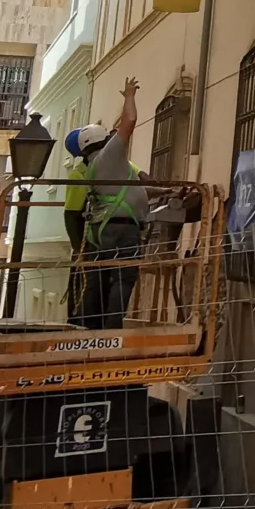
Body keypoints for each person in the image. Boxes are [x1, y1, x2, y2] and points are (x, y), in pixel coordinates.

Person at [65, 76, 142, 328]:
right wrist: (129, 96)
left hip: (101, 230)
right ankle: (111, 330)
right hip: (121, 228)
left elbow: (132, 188)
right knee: (122, 278)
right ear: (105, 140)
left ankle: (89, 327)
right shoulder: (110, 156)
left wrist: (166, 192)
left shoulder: (93, 167)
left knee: (97, 278)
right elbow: (129, 121)